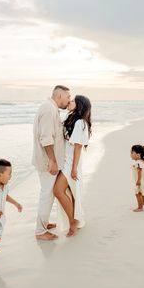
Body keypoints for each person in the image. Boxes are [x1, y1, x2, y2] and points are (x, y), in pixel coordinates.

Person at [32, 85, 71, 241]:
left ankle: (44, 223)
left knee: (47, 193)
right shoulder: (49, 109)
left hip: (48, 160)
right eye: (68, 97)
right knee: (47, 194)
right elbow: (46, 139)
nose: (69, 100)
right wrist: (53, 161)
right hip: (47, 162)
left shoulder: (50, 108)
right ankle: (40, 231)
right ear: (59, 96)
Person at [54, 95, 92, 237]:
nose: (70, 102)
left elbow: (78, 147)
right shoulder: (73, 120)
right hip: (66, 161)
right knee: (71, 193)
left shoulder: (80, 123)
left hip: (71, 163)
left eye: (73, 100)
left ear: (79, 105)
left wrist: (74, 168)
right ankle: (76, 220)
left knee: (58, 191)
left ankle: (73, 222)